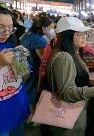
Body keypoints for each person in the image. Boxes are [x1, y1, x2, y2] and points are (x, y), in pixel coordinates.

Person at [44, 17, 94, 135]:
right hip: (68, 118)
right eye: (79, 34)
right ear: (67, 36)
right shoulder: (64, 57)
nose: (84, 37)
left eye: (84, 34)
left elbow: (73, 80)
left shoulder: (73, 52)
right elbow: (67, 93)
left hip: (75, 111)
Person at [0, 7, 30, 136]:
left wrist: (22, 62)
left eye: (10, 27)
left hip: (18, 108)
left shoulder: (11, 44)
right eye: (1, 27)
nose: (6, 32)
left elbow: (24, 78)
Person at [20, 16, 54, 105]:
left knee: (25, 91)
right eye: (51, 28)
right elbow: (43, 59)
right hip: (34, 70)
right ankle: (32, 114)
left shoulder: (26, 35)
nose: (52, 30)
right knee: (33, 95)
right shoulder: (40, 40)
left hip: (24, 69)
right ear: (44, 28)